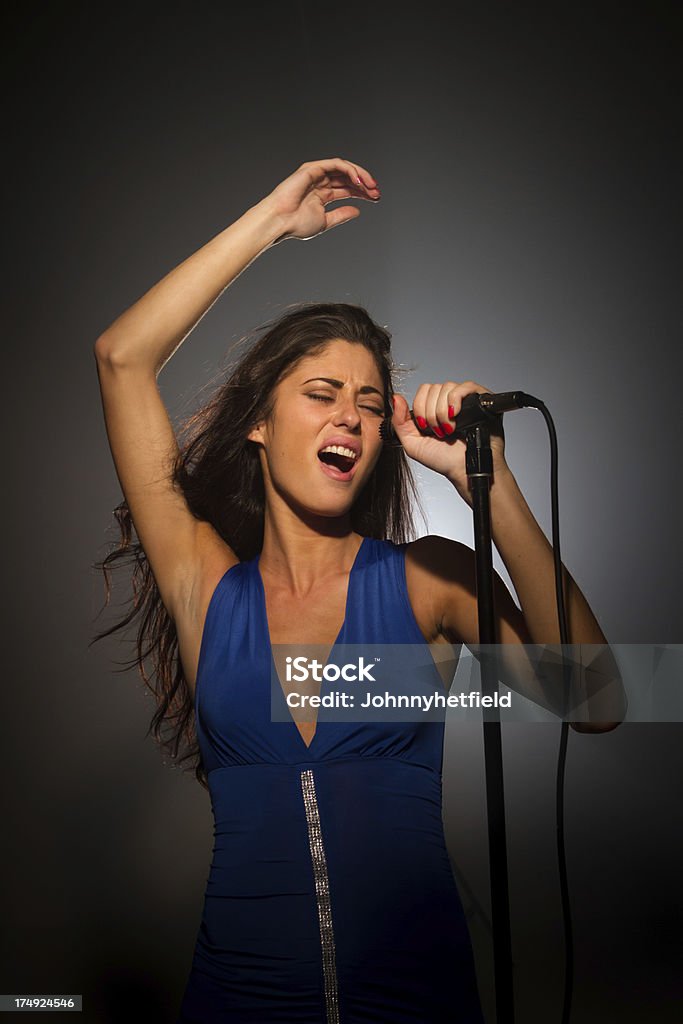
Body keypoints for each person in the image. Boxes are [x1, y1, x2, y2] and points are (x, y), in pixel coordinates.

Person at [93, 158, 621, 1023]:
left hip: (416, 1005)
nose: (350, 416)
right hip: (237, 1006)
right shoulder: (204, 586)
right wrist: (271, 223)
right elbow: (122, 358)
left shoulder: (428, 581)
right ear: (259, 425)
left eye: (370, 404)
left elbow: (596, 700)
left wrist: (486, 482)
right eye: (322, 394)